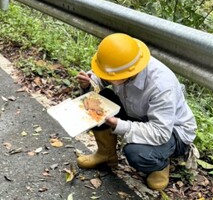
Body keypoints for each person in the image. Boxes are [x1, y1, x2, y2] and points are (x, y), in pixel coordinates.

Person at [76, 33, 197, 191]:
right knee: (94, 101)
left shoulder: (161, 86)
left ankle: (160, 165)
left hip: (172, 130)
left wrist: (118, 124)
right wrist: (89, 83)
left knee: (136, 153)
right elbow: (102, 77)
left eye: (110, 76)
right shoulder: (122, 65)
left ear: (128, 73)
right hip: (137, 114)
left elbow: (160, 132)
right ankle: (106, 154)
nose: (105, 77)